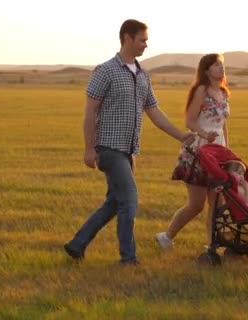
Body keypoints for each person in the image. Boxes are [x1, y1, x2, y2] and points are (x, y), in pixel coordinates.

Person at [63, 19, 196, 265]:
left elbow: (154, 112)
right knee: (130, 200)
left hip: (128, 151)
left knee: (115, 202)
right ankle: (128, 259)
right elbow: (90, 111)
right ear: (127, 38)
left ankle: (76, 245)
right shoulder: (105, 71)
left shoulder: (143, 75)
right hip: (108, 147)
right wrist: (89, 148)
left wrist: (181, 135)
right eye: (142, 39)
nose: (146, 44)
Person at [155, 53, 230, 250]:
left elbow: (223, 124)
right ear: (206, 70)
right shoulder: (201, 91)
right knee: (196, 205)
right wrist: (204, 134)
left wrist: (227, 149)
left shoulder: (223, 92)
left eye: (222, 65)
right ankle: (166, 236)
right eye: (216, 65)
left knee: (217, 204)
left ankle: (212, 246)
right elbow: (190, 121)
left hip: (218, 153)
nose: (221, 68)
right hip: (198, 151)